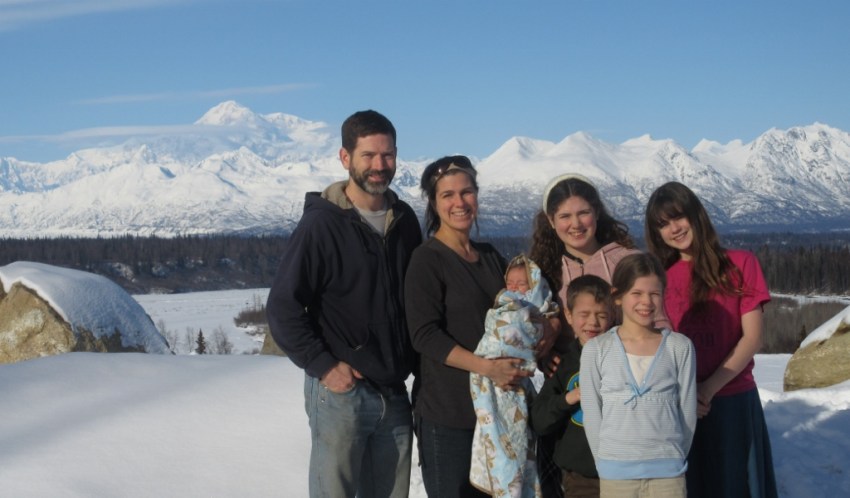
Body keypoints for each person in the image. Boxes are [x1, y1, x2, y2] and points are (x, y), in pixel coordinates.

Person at [266, 110, 422, 498]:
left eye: (387, 155)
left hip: (394, 390)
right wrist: (325, 367)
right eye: (368, 155)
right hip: (342, 393)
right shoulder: (322, 225)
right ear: (345, 157)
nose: (379, 166)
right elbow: (283, 308)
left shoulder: (404, 222)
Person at [405, 155, 532, 498]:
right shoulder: (427, 260)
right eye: (447, 195)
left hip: (497, 411)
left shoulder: (490, 256)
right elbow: (424, 335)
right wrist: (488, 368)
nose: (459, 203)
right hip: (449, 414)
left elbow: (517, 312)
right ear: (434, 202)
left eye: (467, 192)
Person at [644, 181, 778, 498]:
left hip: (732, 397)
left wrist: (707, 388)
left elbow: (753, 337)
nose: (673, 229)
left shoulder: (741, 263)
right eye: (662, 224)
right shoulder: (660, 277)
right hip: (681, 402)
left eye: (678, 217)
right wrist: (687, 392)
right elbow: (657, 342)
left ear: (696, 214)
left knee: (737, 486)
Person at [528, 173, 639, 498]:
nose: (575, 224)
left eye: (583, 213)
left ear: (597, 213)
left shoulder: (626, 261)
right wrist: (545, 353)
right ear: (551, 220)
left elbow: (655, 321)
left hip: (625, 393)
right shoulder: (542, 271)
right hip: (570, 400)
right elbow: (528, 330)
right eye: (564, 216)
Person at [580, 253, 697, 498]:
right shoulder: (597, 349)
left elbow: (687, 410)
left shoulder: (679, 347)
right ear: (618, 296)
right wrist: (605, 461)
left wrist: (675, 456)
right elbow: (592, 411)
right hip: (616, 475)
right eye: (637, 293)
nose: (646, 302)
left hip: (668, 475)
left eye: (654, 294)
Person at [469, 255, 559, 497]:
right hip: (488, 374)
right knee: (496, 432)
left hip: (517, 381)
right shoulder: (504, 305)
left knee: (517, 438)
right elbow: (496, 329)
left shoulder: (539, 309)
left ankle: (514, 484)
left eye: (522, 284)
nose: (514, 289)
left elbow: (528, 330)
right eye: (510, 283)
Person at [530, 275, 613, 498]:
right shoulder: (563, 365)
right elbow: (540, 421)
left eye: (601, 315)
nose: (593, 323)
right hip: (581, 475)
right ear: (568, 315)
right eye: (584, 315)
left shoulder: (622, 358)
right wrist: (570, 397)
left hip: (621, 472)